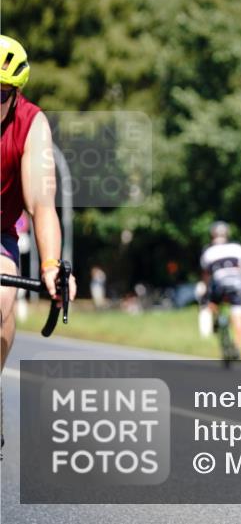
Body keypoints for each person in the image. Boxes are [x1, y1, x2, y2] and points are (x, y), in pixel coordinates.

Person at [0, 34, 77, 447]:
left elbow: (42, 204)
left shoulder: (31, 125)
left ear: (15, 95)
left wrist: (51, 267)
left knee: (2, 294)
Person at [198, 221, 241, 356]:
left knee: (210, 302)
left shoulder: (208, 251)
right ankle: (237, 347)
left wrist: (205, 294)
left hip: (219, 286)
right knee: (239, 316)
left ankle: (217, 322)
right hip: (237, 285)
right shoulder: (238, 248)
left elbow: (206, 275)